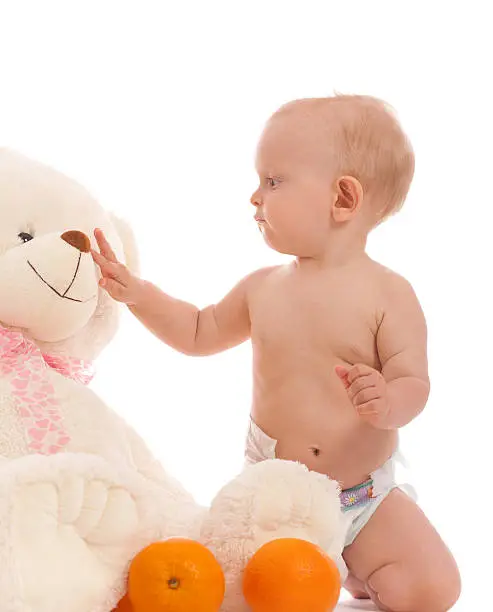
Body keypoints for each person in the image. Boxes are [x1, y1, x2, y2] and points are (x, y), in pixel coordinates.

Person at [92, 94, 461, 611]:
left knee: (433, 592)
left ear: (343, 199)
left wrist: (388, 400)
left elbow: (414, 383)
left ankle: (354, 560)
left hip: (363, 497)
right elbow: (198, 331)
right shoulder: (262, 288)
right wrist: (140, 295)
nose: (254, 196)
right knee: (262, 592)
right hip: (276, 498)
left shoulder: (390, 295)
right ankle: (328, 565)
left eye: (273, 181)